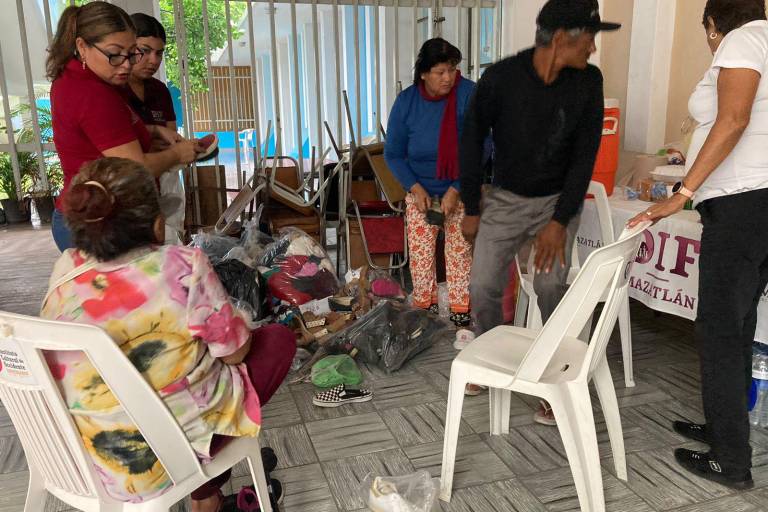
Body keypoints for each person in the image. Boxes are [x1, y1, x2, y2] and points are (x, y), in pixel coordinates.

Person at [41, 157, 296, 511]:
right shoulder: (181, 266)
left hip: (91, 459)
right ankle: (205, 491)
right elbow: (235, 352)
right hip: (165, 458)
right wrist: (234, 320)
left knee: (179, 362)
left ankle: (207, 495)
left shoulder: (64, 271)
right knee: (278, 341)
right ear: (157, 225)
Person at [628, 0, 768, 490]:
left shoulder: (744, 38)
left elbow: (733, 119)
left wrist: (683, 193)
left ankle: (731, 460)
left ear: (713, 22)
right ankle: (722, 428)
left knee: (720, 330)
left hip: (741, 207)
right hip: (756, 205)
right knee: (737, 322)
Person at [459, 0, 619, 412]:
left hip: (555, 202)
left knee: (549, 285)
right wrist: (473, 207)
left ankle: (553, 370)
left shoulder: (588, 82)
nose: (593, 49)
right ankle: (493, 355)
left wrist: (560, 221)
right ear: (563, 38)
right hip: (506, 201)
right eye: (590, 39)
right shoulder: (501, 79)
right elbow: (471, 138)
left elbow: (585, 157)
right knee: (482, 286)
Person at [47, 2, 198, 252]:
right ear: (82, 46)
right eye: (115, 54)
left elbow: (99, 135)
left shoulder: (76, 78)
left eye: (131, 53)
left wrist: (152, 131)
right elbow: (134, 166)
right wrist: (177, 155)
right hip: (98, 224)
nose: (126, 64)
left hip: (88, 215)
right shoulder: (92, 93)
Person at [385, 38, 475, 330]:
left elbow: (482, 145)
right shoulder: (407, 102)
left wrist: (456, 188)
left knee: (459, 254)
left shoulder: (468, 95)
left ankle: (461, 319)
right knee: (422, 260)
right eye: (440, 71)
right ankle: (425, 316)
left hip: (459, 188)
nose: (448, 77)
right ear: (423, 73)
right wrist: (415, 188)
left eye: (452, 69)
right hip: (420, 191)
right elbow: (394, 153)